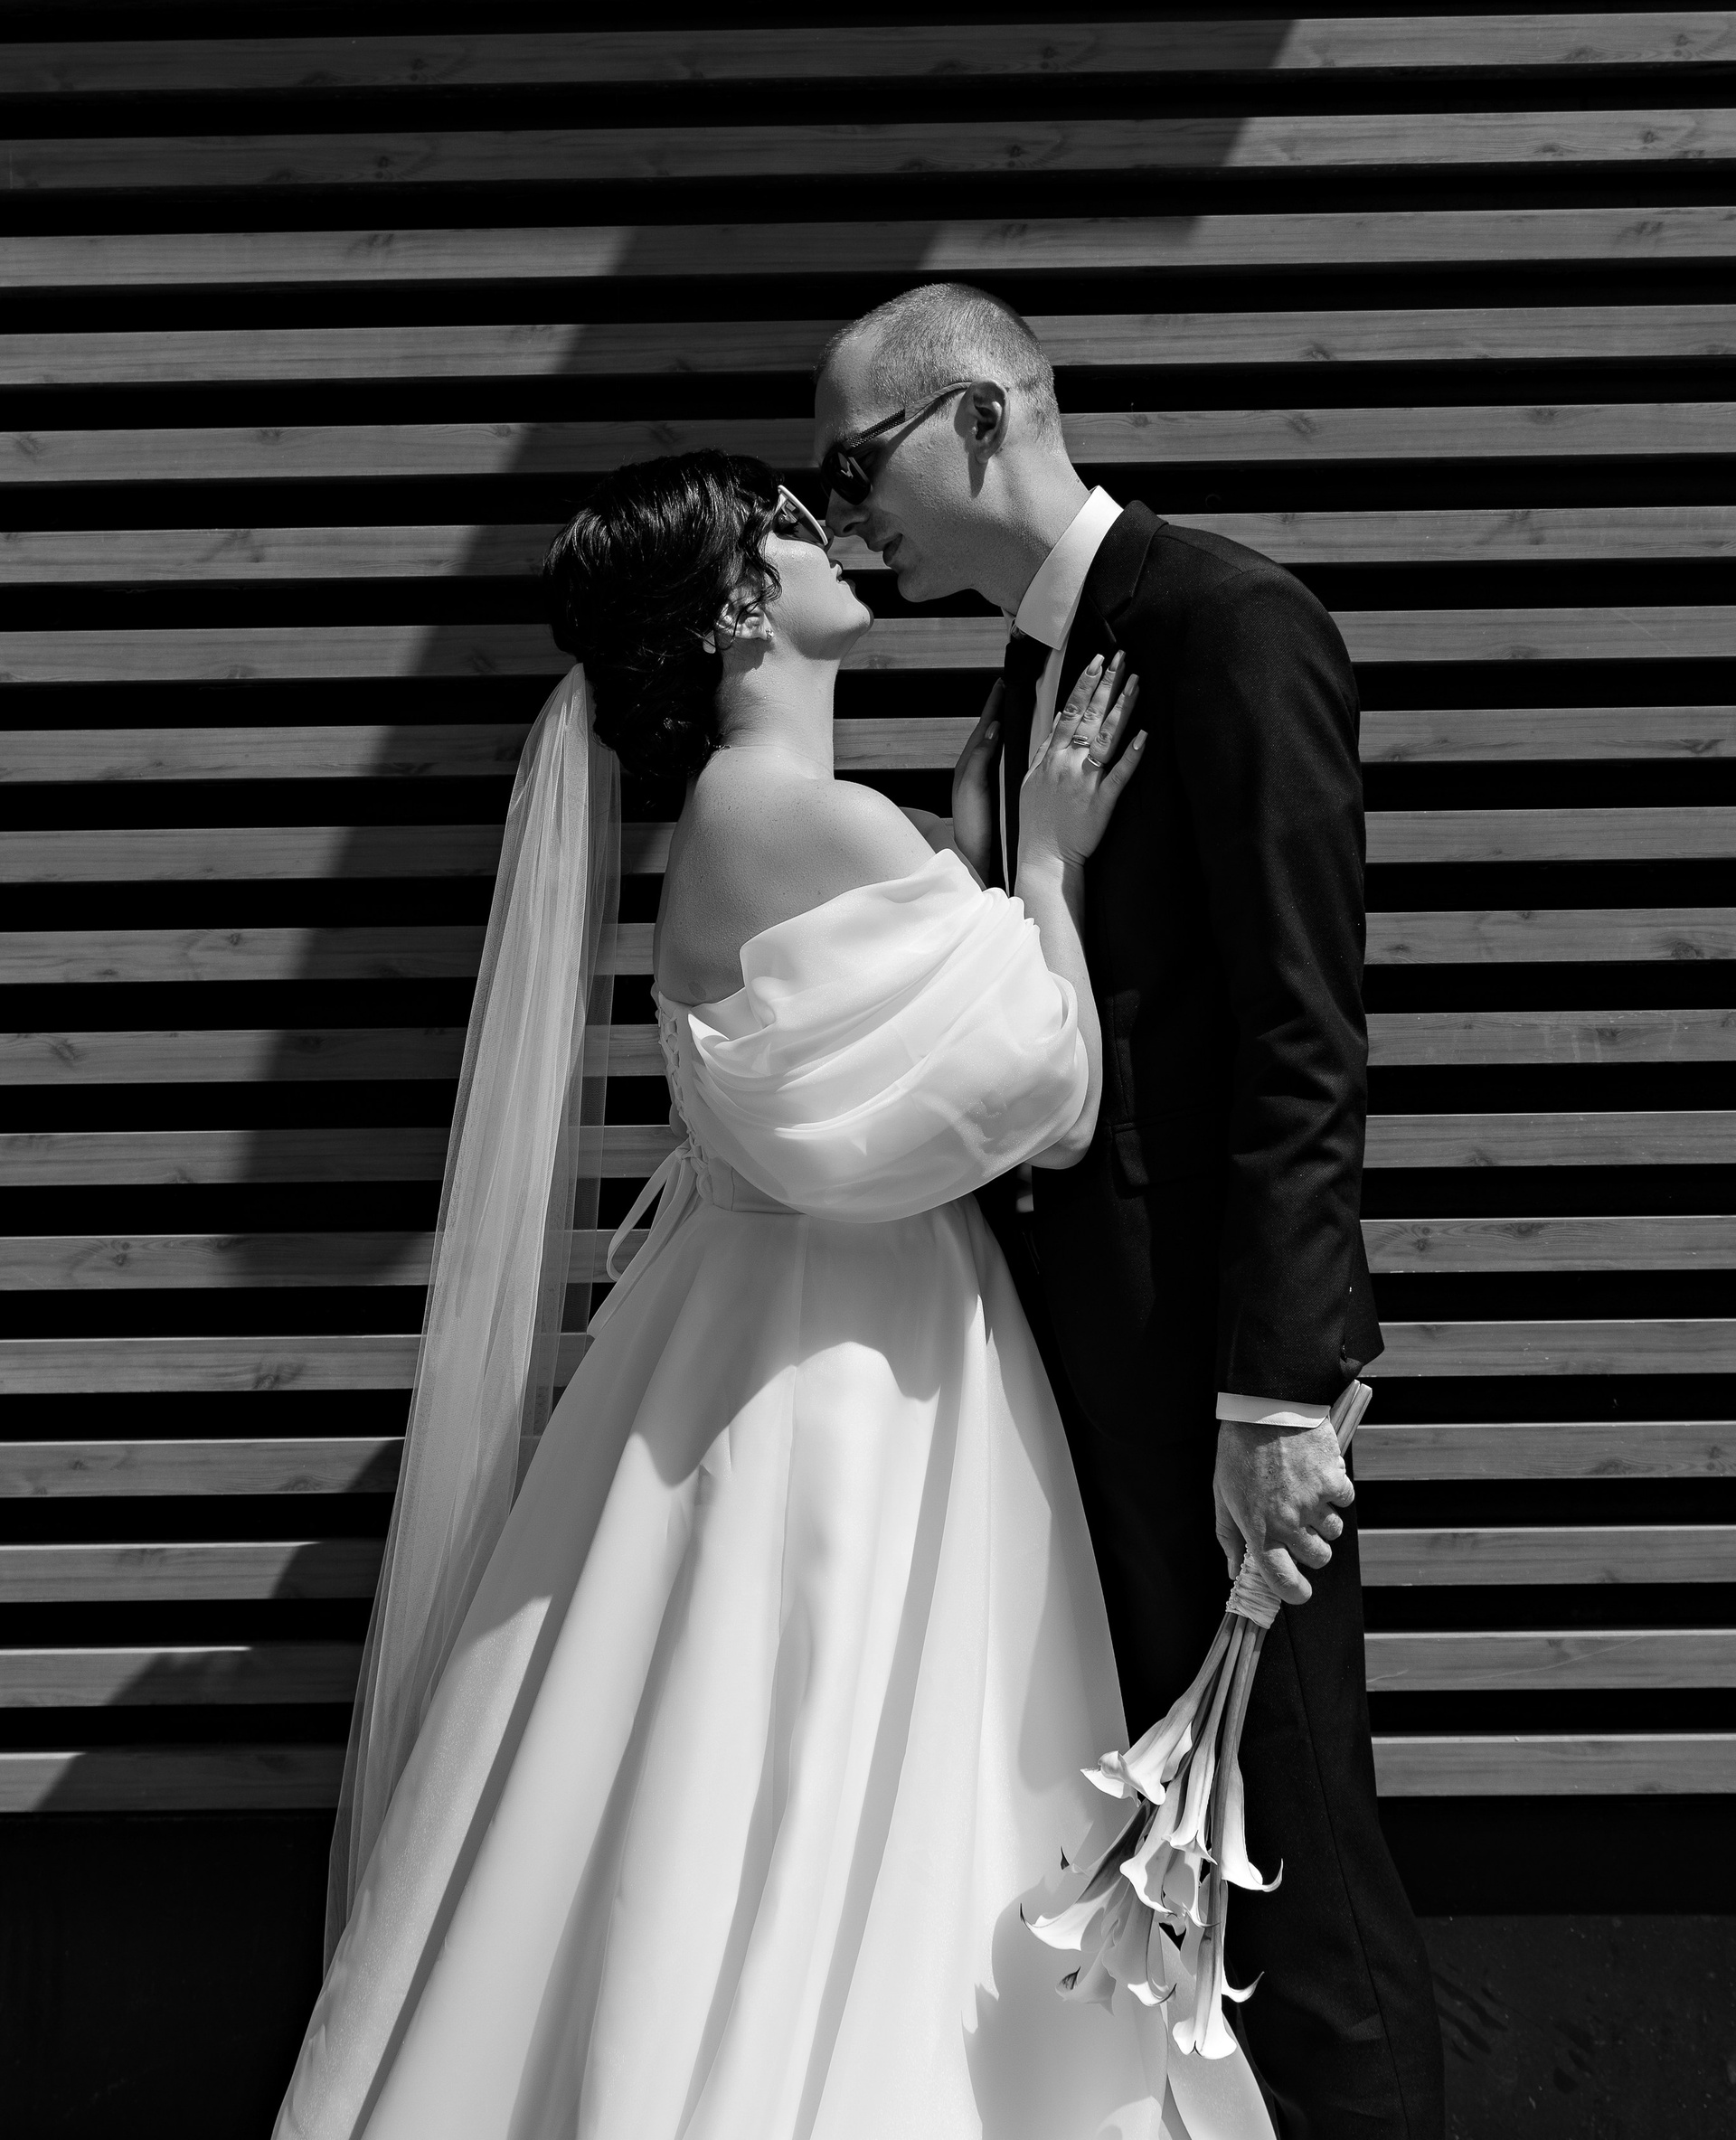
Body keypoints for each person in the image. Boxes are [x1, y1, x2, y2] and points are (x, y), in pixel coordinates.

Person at [274, 452, 1271, 2139]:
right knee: (839, 1736)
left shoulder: (759, 822)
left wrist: (970, 859)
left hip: (751, 1329)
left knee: (713, 1759)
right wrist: (1042, 869)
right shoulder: (809, 818)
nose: (839, 538)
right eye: (800, 528)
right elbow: (1048, 1088)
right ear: (743, 604)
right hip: (854, 1362)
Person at [816, 288, 1446, 2140]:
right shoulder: (1029, 677)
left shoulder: (1233, 627)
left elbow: (1301, 1035)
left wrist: (1277, 1395)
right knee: (1172, 1878)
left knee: (1295, 1875)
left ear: (979, 417)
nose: (849, 516)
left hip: (1206, 1392)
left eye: (858, 464)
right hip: (1067, 1375)